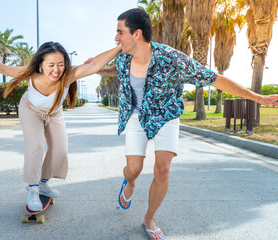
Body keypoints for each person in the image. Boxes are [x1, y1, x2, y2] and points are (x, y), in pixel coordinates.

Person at [96, 8, 278, 240]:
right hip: (136, 117)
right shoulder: (123, 57)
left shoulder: (172, 59)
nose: (116, 38)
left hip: (166, 116)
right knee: (134, 169)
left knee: (162, 170)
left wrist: (258, 98)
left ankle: (149, 218)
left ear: (137, 34)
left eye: (120, 32)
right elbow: (118, 72)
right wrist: (100, 68)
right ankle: (129, 183)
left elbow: (216, 79)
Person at [0, 41, 122, 212]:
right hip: (30, 110)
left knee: (60, 150)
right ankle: (32, 189)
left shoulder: (69, 75)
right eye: (51, 65)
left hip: (53, 112)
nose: (56, 70)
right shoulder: (30, 74)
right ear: (41, 65)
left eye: (60, 65)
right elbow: (4, 68)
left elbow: (94, 64)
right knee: (35, 145)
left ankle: (43, 184)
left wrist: (119, 47)